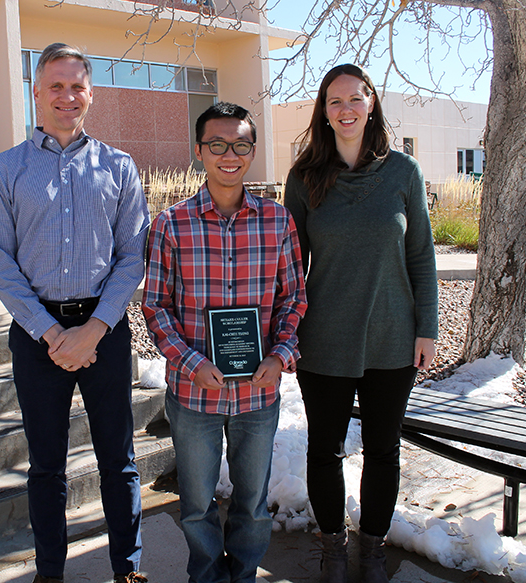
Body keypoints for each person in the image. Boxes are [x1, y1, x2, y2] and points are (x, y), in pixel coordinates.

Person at [0, 43, 150, 583]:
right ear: (35, 92)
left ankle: (128, 568)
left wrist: (94, 329)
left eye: (77, 85)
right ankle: (49, 573)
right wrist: (55, 334)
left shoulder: (118, 167)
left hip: (105, 331)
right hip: (37, 337)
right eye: (55, 85)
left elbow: (133, 256)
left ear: (91, 93)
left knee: (118, 460)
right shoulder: (6, 170)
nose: (66, 96)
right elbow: (0, 266)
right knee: (47, 467)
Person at [283, 64, 438, 583]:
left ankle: (371, 549)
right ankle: (332, 547)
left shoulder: (404, 173)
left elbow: (421, 256)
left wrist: (427, 328)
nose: (345, 109)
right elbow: (291, 267)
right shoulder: (304, 177)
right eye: (334, 101)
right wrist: (283, 334)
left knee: (383, 449)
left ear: (371, 103)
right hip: (323, 338)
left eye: (356, 98)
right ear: (323, 112)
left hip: (393, 336)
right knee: (323, 449)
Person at [142, 102, 307, 583]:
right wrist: (192, 362)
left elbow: (294, 298)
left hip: (259, 391)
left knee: (253, 504)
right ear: (199, 151)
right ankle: (208, 576)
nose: (228, 155)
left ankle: (245, 574)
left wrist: (280, 355)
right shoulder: (171, 224)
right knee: (196, 504)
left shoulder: (278, 222)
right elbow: (156, 305)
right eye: (217, 145)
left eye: (239, 145)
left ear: (252, 151)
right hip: (195, 393)